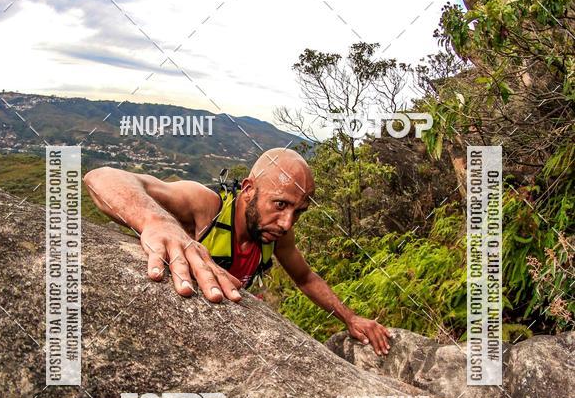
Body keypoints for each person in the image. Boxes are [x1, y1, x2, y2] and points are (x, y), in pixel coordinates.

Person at [84, 147, 391, 355]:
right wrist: (157, 221)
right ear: (248, 189)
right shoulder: (207, 207)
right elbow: (101, 177)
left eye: (299, 212)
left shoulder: (275, 233)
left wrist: (350, 319)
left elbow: (305, 277)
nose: (287, 223)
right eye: (281, 204)